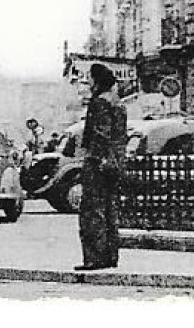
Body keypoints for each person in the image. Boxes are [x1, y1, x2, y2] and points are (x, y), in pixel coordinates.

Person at [76, 64, 127, 271]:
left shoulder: (100, 103)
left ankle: (94, 258)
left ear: (97, 80)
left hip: (98, 164)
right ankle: (110, 256)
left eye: (89, 78)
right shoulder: (117, 102)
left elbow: (101, 134)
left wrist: (94, 159)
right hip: (115, 164)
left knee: (91, 211)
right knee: (110, 210)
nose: (87, 81)